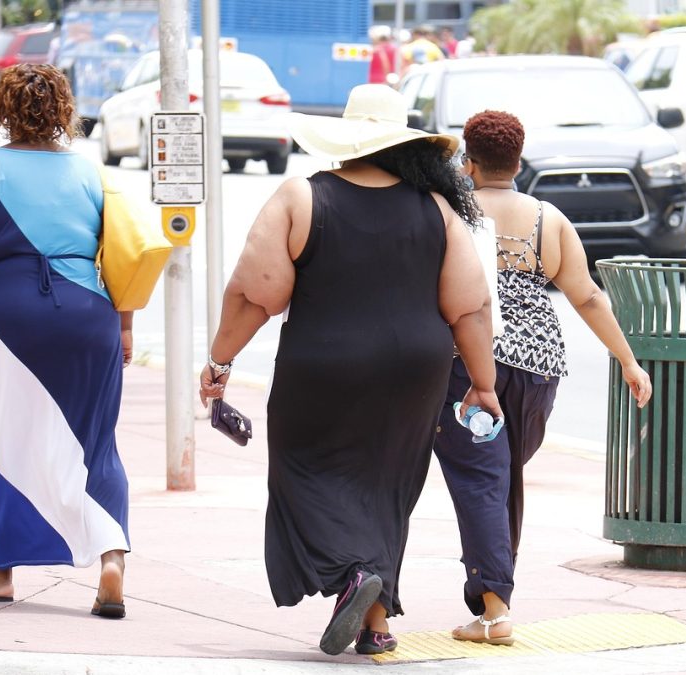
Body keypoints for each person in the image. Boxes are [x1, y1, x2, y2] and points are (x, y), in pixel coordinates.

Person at [197, 84, 502, 657]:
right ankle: (376, 622)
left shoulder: (303, 198)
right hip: (416, 370)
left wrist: (220, 360)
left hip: (323, 364)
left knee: (303, 468)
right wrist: (483, 386)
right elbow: (471, 307)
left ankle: (353, 577)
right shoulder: (437, 209)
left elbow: (253, 294)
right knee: (388, 482)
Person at [433, 110, 652, 645]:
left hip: (468, 363)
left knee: (483, 479)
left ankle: (495, 608)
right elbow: (587, 295)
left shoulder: (448, 211)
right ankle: (492, 600)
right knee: (503, 474)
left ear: (471, 160)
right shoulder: (546, 219)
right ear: (520, 159)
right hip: (536, 369)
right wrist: (627, 359)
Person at [0, 64, 132, 619]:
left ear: (3, 111)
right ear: (63, 111)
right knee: (96, 441)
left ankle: (0, 574)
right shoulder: (93, 174)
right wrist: (125, 327)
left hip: (6, 320)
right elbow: (122, 256)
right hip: (89, 314)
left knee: (6, 439)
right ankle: (111, 555)